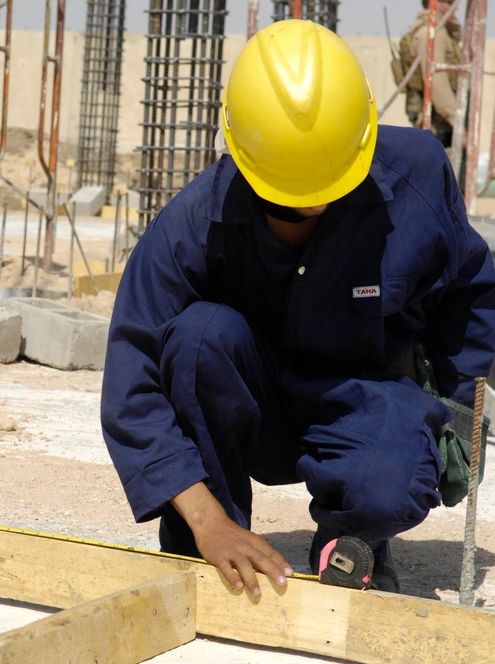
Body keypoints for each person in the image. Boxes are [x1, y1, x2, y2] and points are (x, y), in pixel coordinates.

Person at [101, 19, 495, 598]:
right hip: (251, 409)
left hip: (362, 403)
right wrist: (210, 523)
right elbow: (131, 383)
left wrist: (464, 419)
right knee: (201, 336)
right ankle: (208, 544)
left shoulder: (416, 179)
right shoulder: (195, 221)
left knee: (392, 474)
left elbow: (469, 295)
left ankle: (350, 547)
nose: (308, 211)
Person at [400, 0, 462, 148]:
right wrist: (458, 124)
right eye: (449, 2)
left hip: (439, 125)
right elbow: (437, 85)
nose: (455, 7)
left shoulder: (439, 31)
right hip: (438, 127)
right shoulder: (433, 33)